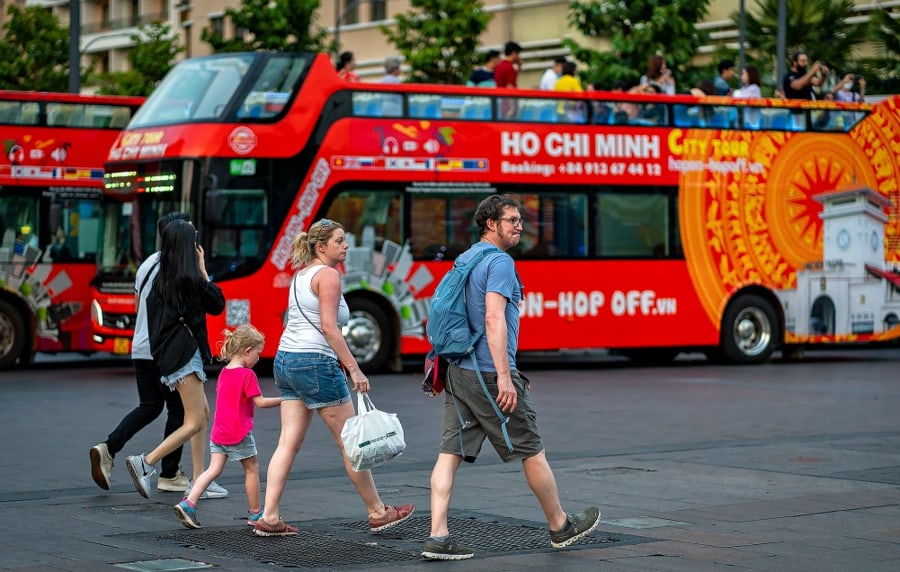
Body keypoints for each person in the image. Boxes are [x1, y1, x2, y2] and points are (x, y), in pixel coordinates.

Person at [421, 195, 601, 561]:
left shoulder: (467, 257)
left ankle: (438, 535)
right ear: (491, 224)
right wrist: (506, 376)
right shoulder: (500, 262)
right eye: (512, 220)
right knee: (531, 448)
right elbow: (492, 319)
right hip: (487, 372)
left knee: (449, 451)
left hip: (457, 369)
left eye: (520, 219)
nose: (520, 226)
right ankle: (560, 526)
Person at [254, 218, 414, 536]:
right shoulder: (327, 275)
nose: (346, 246)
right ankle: (378, 512)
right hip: (315, 363)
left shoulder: (301, 275)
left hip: (286, 361)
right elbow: (329, 327)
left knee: (287, 442)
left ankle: (269, 517)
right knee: (351, 443)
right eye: (340, 241)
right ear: (321, 246)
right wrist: (354, 368)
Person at [90, 212, 226, 500]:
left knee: (156, 407)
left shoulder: (149, 267)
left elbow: (141, 306)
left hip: (147, 347)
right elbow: (215, 303)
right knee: (188, 416)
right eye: (192, 236)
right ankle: (158, 468)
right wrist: (203, 272)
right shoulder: (184, 273)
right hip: (176, 352)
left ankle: (114, 448)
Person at [174, 324, 281, 529]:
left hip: (219, 432)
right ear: (247, 351)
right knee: (251, 470)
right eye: (258, 353)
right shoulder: (247, 375)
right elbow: (261, 402)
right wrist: (285, 399)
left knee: (213, 469)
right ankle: (256, 513)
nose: (259, 359)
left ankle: (188, 503)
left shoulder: (224, 372)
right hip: (239, 432)